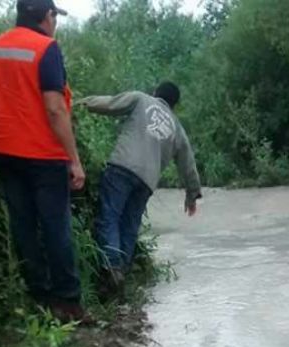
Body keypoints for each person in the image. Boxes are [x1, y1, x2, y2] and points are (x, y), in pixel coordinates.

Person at [0, 0, 90, 322]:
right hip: (42, 154)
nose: (55, 22)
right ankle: (68, 303)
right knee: (55, 227)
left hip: (5, 150)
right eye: (55, 15)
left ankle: (40, 300)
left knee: (24, 227)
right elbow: (55, 107)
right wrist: (74, 160)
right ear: (46, 16)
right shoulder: (46, 48)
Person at [78, 82, 202, 295]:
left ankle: (111, 268)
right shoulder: (177, 128)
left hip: (122, 167)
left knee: (109, 217)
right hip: (146, 182)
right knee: (129, 226)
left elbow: (109, 104)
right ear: (174, 105)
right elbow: (187, 163)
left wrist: (79, 103)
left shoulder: (140, 99)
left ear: (155, 93)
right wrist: (192, 194)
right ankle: (120, 277)